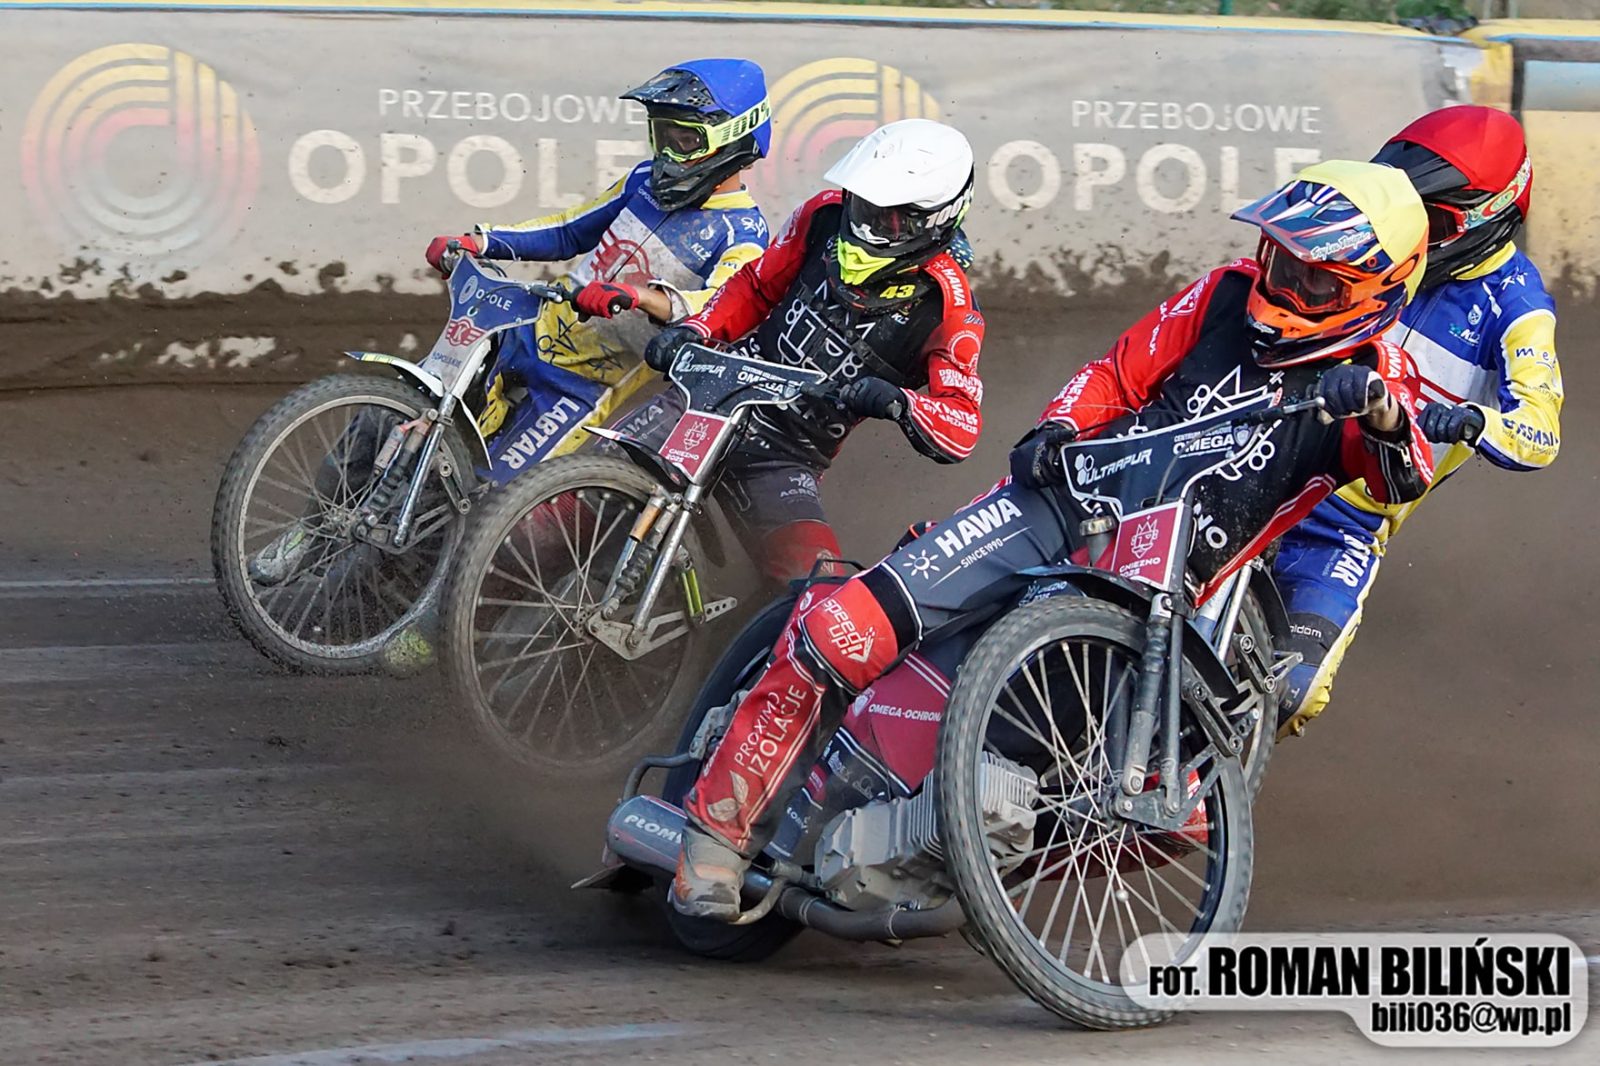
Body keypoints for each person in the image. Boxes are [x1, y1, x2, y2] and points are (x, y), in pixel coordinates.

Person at [670, 159, 1438, 920]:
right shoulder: (1226, 293)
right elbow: (1117, 374)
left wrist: (1381, 419)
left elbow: (1404, 475)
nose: (1284, 287)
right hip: (1059, 503)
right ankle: (716, 840)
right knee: (844, 631)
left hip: (1155, 590)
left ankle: (967, 878)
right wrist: (1060, 426)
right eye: (1281, 260)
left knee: (1179, 814)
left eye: (1315, 281)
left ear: (1381, 287)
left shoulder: (1379, 378)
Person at [1273, 106, 1563, 738]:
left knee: (1293, 692)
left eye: (1428, 217)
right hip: (1261, 457)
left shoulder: (1517, 309)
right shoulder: (1369, 242)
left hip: (1348, 518)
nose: (1408, 228)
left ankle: (1185, 799)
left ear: (1486, 214)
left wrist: (1472, 421)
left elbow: (1541, 433)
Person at [625, 117, 987, 584]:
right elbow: (755, 285)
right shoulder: (824, 214)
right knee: (566, 503)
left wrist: (901, 403)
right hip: (710, 396)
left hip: (784, 455)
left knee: (819, 588)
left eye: (886, 217)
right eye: (862, 203)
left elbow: (963, 423)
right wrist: (696, 329)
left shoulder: (949, 307)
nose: (864, 224)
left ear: (933, 219)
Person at [423, 58, 773, 452]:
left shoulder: (742, 233)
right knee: (418, 407)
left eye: (686, 140)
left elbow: (716, 309)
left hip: (580, 388)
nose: (669, 155)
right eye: (662, 136)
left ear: (734, 139)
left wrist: (638, 296)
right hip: (523, 328)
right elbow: (569, 230)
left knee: (501, 498)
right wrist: (481, 241)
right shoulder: (642, 180)